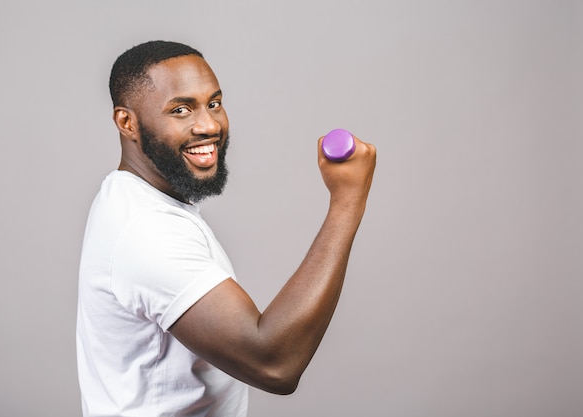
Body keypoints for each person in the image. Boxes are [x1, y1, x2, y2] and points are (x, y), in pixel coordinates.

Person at [76, 40, 376, 417]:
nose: (209, 125)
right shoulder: (147, 232)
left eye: (214, 103)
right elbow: (275, 364)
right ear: (127, 122)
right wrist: (347, 202)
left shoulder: (130, 196)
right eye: (181, 109)